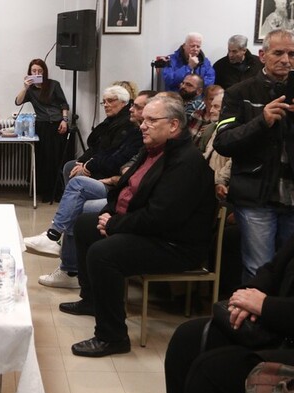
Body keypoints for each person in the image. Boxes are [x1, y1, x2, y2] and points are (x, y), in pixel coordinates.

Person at [60, 96, 216, 357]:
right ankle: (91, 301)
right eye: (143, 120)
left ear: (173, 125)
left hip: (174, 244)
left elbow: (161, 217)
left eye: (151, 120)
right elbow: (123, 191)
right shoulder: (153, 150)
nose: (143, 125)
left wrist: (115, 224)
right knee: (86, 224)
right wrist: (109, 213)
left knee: (103, 253)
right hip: (148, 229)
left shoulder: (185, 162)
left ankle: (112, 337)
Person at [28, 90, 155, 288]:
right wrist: (86, 163)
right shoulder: (125, 126)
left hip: (121, 189)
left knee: (80, 195)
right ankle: (66, 258)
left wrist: (103, 173)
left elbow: (122, 164)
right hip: (116, 183)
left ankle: (58, 243)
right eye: (104, 101)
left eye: (137, 106)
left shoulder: (138, 132)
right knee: (72, 169)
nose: (132, 109)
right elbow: (100, 147)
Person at [164, 235, 294, 393]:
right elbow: (273, 268)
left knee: (212, 371)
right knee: (188, 338)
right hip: (280, 324)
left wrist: (265, 305)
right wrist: (248, 295)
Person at [213, 28, 294, 282]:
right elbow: (223, 141)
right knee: (257, 270)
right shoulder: (239, 92)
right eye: (278, 53)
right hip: (256, 197)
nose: (286, 60)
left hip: (292, 198)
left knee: (289, 273)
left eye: (292, 54)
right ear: (262, 55)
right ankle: (251, 309)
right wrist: (262, 121)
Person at [14, 58, 70, 203]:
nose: (37, 73)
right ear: (30, 72)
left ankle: (58, 191)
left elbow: (64, 104)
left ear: (44, 71)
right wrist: (25, 87)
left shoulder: (53, 85)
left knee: (57, 159)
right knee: (44, 159)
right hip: (42, 126)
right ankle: (45, 191)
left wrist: (65, 120)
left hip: (57, 124)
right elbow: (18, 102)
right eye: (34, 71)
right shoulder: (31, 90)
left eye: (39, 70)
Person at [188, 84, 223, 150]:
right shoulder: (196, 114)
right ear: (204, 100)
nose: (215, 101)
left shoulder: (221, 122)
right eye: (211, 99)